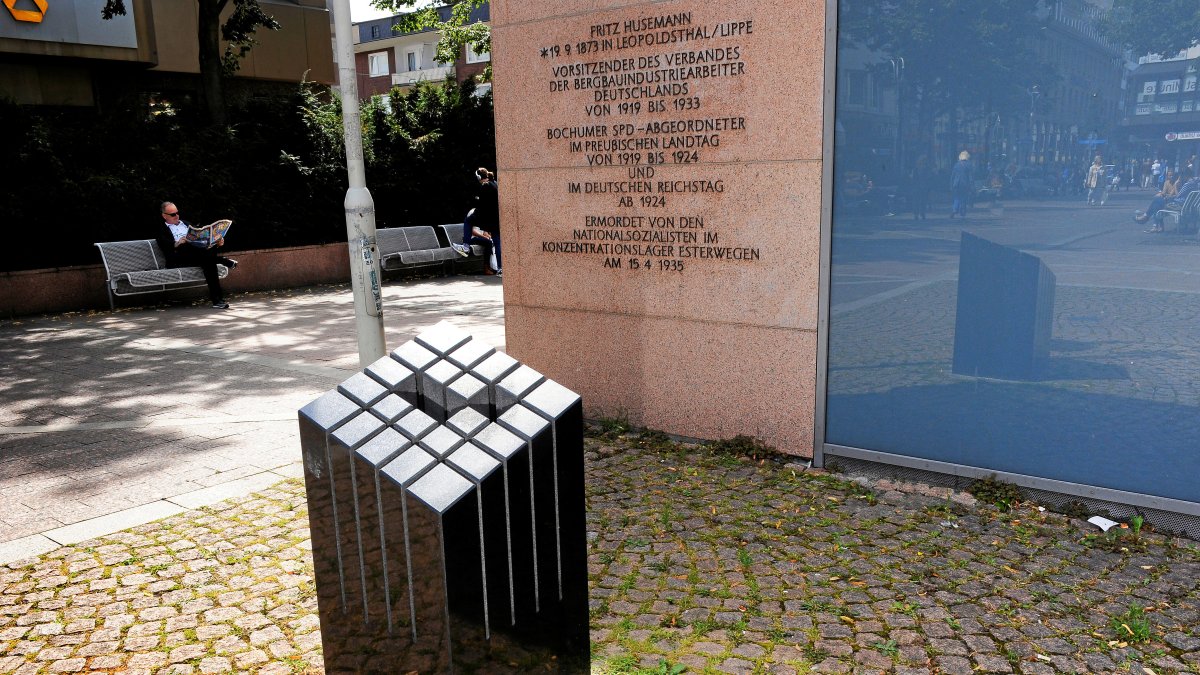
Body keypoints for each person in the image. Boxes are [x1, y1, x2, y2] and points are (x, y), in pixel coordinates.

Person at [154, 201, 238, 309]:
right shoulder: (161, 229)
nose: (177, 216)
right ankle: (222, 261)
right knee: (206, 258)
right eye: (173, 214)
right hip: (179, 258)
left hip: (197, 255)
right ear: (164, 216)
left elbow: (200, 238)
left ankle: (218, 301)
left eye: (177, 213)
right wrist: (177, 243)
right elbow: (163, 245)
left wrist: (216, 242)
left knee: (208, 261)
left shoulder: (186, 223)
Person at [451, 168, 502, 275]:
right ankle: (501, 268)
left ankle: (465, 246)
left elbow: (482, 204)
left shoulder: (485, 186)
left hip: (486, 216)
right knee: (497, 241)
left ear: (479, 177)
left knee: (468, 220)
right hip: (496, 217)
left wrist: (476, 212)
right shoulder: (495, 184)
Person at [1135, 170, 1199, 232]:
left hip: (1179, 205)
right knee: (1158, 201)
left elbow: (1178, 196)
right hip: (1187, 205)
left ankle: (1148, 219)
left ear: (1186, 176)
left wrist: (1176, 185)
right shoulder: (1195, 184)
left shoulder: (1187, 184)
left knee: (1157, 201)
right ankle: (1151, 222)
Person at [949, 151, 972, 218]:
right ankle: (962, 213)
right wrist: (972, 186)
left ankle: (954, 209)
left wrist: (951, 185)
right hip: (965, 184)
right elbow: (970, 177)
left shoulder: (956, 165)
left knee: (956, 197)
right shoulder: (969, 165)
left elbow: (952, 176)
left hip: (956, 184)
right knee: (964, 198)